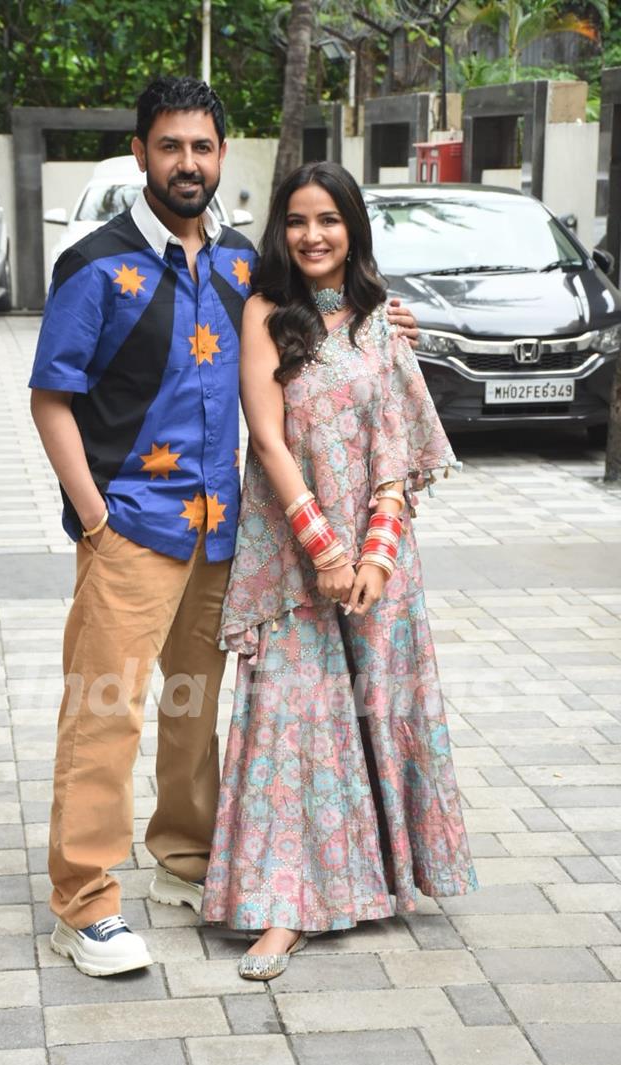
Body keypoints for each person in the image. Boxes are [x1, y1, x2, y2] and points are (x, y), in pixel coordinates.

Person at [30, 75, 420, 977]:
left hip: (221, 537)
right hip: (130, 528)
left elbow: (323, 313)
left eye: (203, 147)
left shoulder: (245, 261)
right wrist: (94, 518)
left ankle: (183, 856)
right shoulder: (94, 264)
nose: (188, 163)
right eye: (170, 146)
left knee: (191, 708)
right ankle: (83, 903)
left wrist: (386, 315)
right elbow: (53, 400)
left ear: (221, 156)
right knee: (104, 713)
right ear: (141, 155)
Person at [201, 161, 478, 980]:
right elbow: (269, 439)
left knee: (380, 706)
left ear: (352, 226)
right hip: (295, 556)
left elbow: (399, 448)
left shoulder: (383, 322)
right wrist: (324, 550)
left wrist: (376, 554)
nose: (313, 235)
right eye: (296, 220)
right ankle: (283, 908)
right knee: (293, 724)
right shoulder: (264, 315)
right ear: (280, 231)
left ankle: (383, 877)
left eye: (328, 219)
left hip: (380, 559)